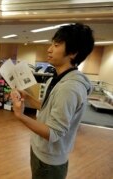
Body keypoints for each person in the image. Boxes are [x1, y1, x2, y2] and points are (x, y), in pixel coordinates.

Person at [11, 23, 94, 179]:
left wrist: (20, 116)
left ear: (73, 52)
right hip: (40, 149)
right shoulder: (56, 79)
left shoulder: (69, 88)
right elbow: (47, 107)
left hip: (49, 160)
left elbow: (54, 133)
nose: (49, 49)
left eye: (56, 45)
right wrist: (28, 98)